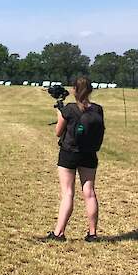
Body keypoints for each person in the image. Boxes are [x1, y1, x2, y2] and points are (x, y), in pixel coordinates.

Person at [48, 77, 105, 241]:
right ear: (90, 90)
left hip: (69, 153)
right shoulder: (98, 110)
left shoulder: (70, 109)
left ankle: (59, 233)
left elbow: (58, 132)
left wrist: (60, 113)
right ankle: (92, 233)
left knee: (67, 193)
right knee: (90, 193)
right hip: (89, 154)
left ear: (74, 90)